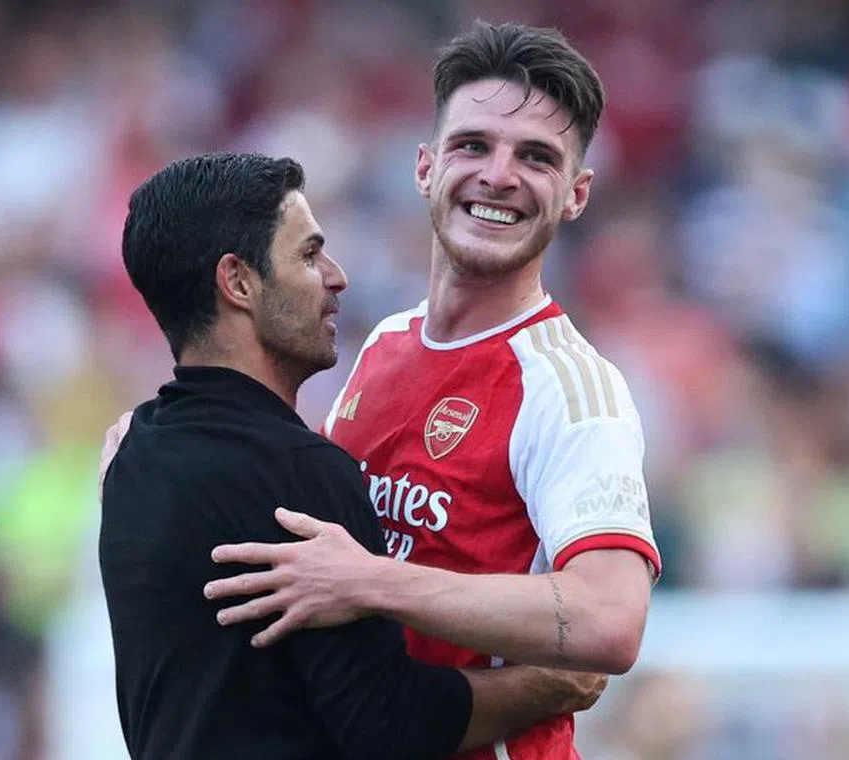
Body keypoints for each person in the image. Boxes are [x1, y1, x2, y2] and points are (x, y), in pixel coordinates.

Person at [202, 21, 662, 760]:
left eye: (536, 157)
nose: (499, 175)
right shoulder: (384, 343)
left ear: (576, 195)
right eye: (473, 145)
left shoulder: (571, 387)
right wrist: (164, 434)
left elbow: (611, 620)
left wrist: (373, 582)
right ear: (425, 166)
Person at [98, 151, 611, 760]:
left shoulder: (131, 456)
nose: (336, 276)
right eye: (309, 255)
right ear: (238, 282)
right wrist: (552, 683)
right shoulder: (301, 473)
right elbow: (386, 726)